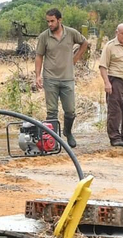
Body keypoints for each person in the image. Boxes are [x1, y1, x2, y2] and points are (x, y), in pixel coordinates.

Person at [32, 8, 87, 148]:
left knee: (70, 110)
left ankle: (68, 132)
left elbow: (84, 43)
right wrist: (37, 75)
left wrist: (75, 59)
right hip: (50, 77)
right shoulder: (44, 36)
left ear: (59, 20)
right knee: (52, 111)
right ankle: (53, 140)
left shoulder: (71, 33)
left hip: (67, 77)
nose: (50, 24)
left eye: (52, 21)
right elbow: (39, 56)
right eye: (48, 21)